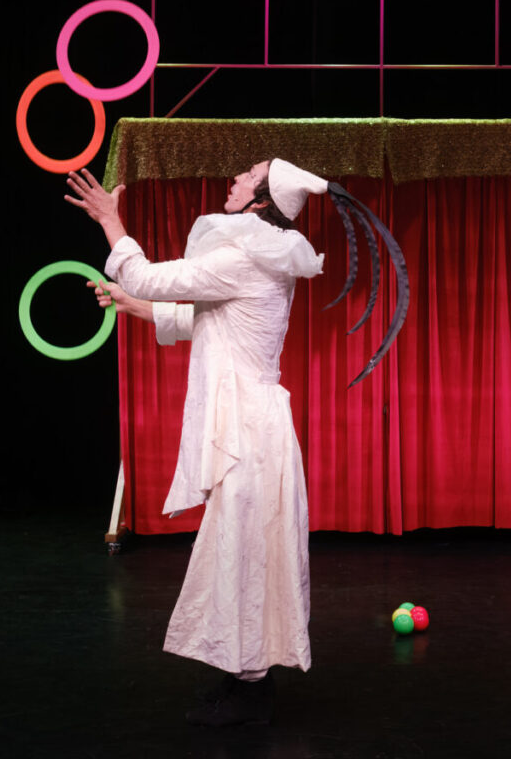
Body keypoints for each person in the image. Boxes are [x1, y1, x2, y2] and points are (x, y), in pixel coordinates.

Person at [65, 160, 329, 726]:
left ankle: (252, 690)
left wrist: (110, 220)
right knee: (239, 552)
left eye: (248, 176)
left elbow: (149, 278)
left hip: (248, 432)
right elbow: (206, 321)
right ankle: (244, 675)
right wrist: (130, 303)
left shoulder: (243, 257)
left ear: (261, 201)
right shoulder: (259, 256)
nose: (235, 179)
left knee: (244, 553)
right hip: (253, 428)